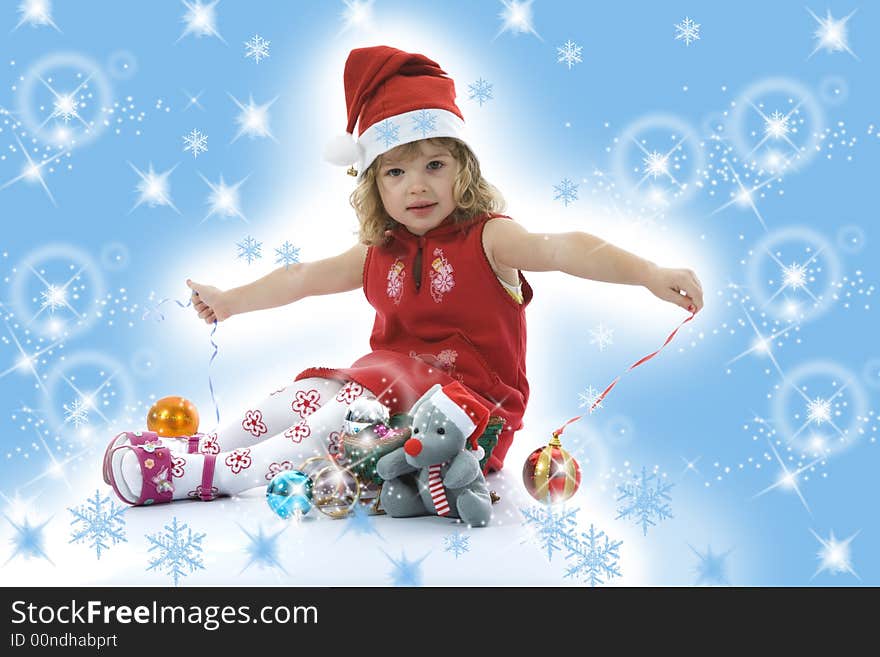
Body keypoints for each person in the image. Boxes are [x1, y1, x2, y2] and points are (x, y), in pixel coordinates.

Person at [104, 45, 703, 507]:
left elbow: (568, 248)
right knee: (310, 394)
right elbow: (302, 278)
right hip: (384, 394)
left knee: (340, 415)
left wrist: (648, 272)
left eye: (434, 165)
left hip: (464, 418)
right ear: (373, 185)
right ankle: (203, 448)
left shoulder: (489, 237)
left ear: (462, 171)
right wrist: (230, 300)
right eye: (395, 173)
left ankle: (203, 479)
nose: (416, 185)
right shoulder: (380, 251)